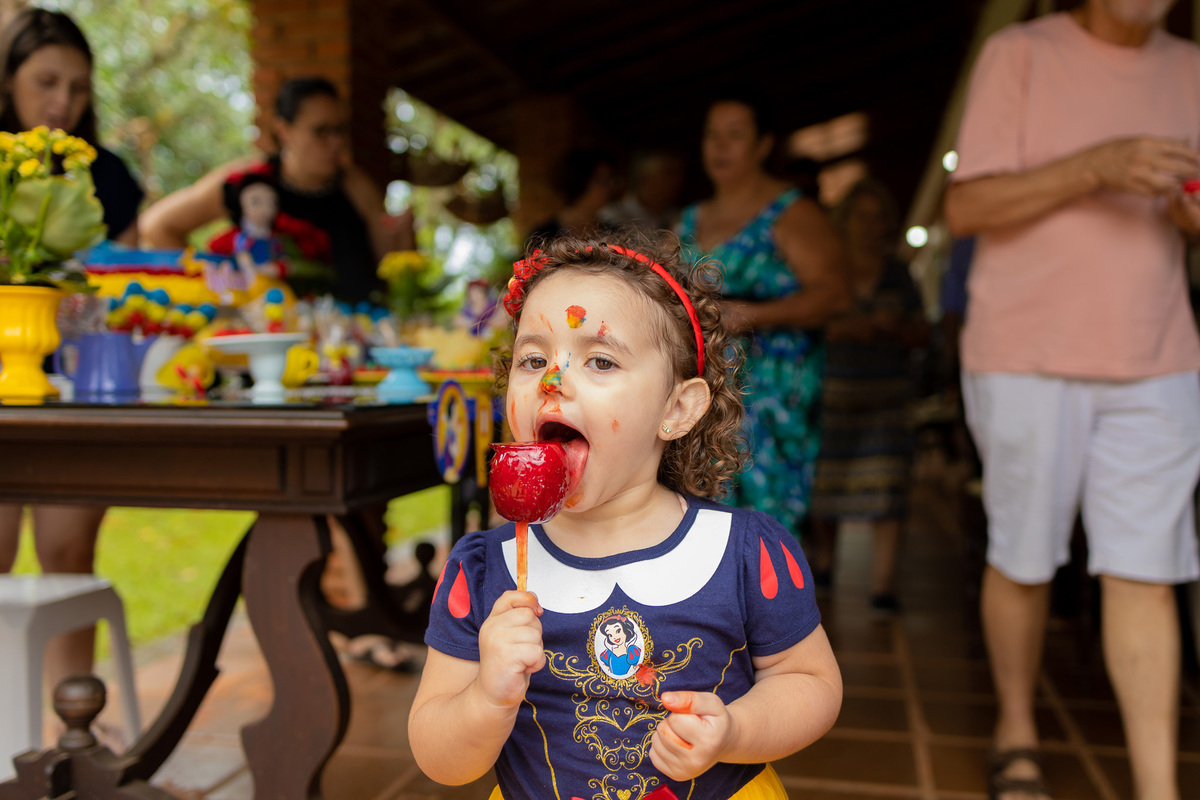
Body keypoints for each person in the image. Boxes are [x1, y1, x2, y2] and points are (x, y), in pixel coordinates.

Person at [409, 232, 842, 800]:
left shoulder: (743, 551)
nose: (552, 382)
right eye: (533, 359)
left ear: (677, 409)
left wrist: (736, 730)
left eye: (602, 360)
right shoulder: (485, 570)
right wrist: (486, 698)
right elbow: (439, 758)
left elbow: (811, 684)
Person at [944, 2, 1200, 798]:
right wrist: (1097, 166)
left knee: (1146, 571)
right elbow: (965, 208)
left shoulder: (1192, 70)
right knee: (1023, 557)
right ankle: (1016, 724)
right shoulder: (1020, 54)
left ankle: (1159, 786)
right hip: (1027, 352)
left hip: (1157, 351)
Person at [0, 7, 144, 705]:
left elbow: (131, 286)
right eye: (46, 81)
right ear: (8, 81)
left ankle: (74, 730)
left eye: (79, 88)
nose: (62, 102)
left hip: (81, 388)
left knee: (66, 554)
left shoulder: (108, 175)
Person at [677, 92, 851, 539]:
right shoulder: (689, 219)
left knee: (762, 524)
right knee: (698, 513)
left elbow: (836, 295)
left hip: (771, 393)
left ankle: (771, 606)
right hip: (705, 386)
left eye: (735, 136)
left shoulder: (791, 212)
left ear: (762, 146)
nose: (721, 146)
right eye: (713, 136)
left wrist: (755, 314)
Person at [141, 76, 409, 304]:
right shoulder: (248, 180)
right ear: (284, 130)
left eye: (340, 130)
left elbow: (393, 269)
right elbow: (157, 226)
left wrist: (402, 235)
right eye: (321, 131)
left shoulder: (355, 185)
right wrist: (212, 283)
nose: (335, 142)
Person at [808, 178, 929, 612]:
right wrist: (848, 329)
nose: (870, 226)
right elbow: (810, 324)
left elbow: (923, 331)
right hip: (834, 394)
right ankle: (824, 565)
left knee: (889, 489)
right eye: (862, 216)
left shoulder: (898, 273)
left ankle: (883, 585)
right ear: (844, 221)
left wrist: (896, 329)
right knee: (827, 486)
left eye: (879, 218)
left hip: (887, 399)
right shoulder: (829, 269)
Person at [525, 146, 620, 247]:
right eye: (603, 181)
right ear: (581, 181)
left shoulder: (613, 233)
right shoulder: (543, 235)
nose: (610, 187)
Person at [599, 148, 686, 233]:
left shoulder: (680, 218)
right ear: (644, 175)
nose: (677, 180)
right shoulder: (612, 218)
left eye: (679, 173)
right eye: (669, 173)